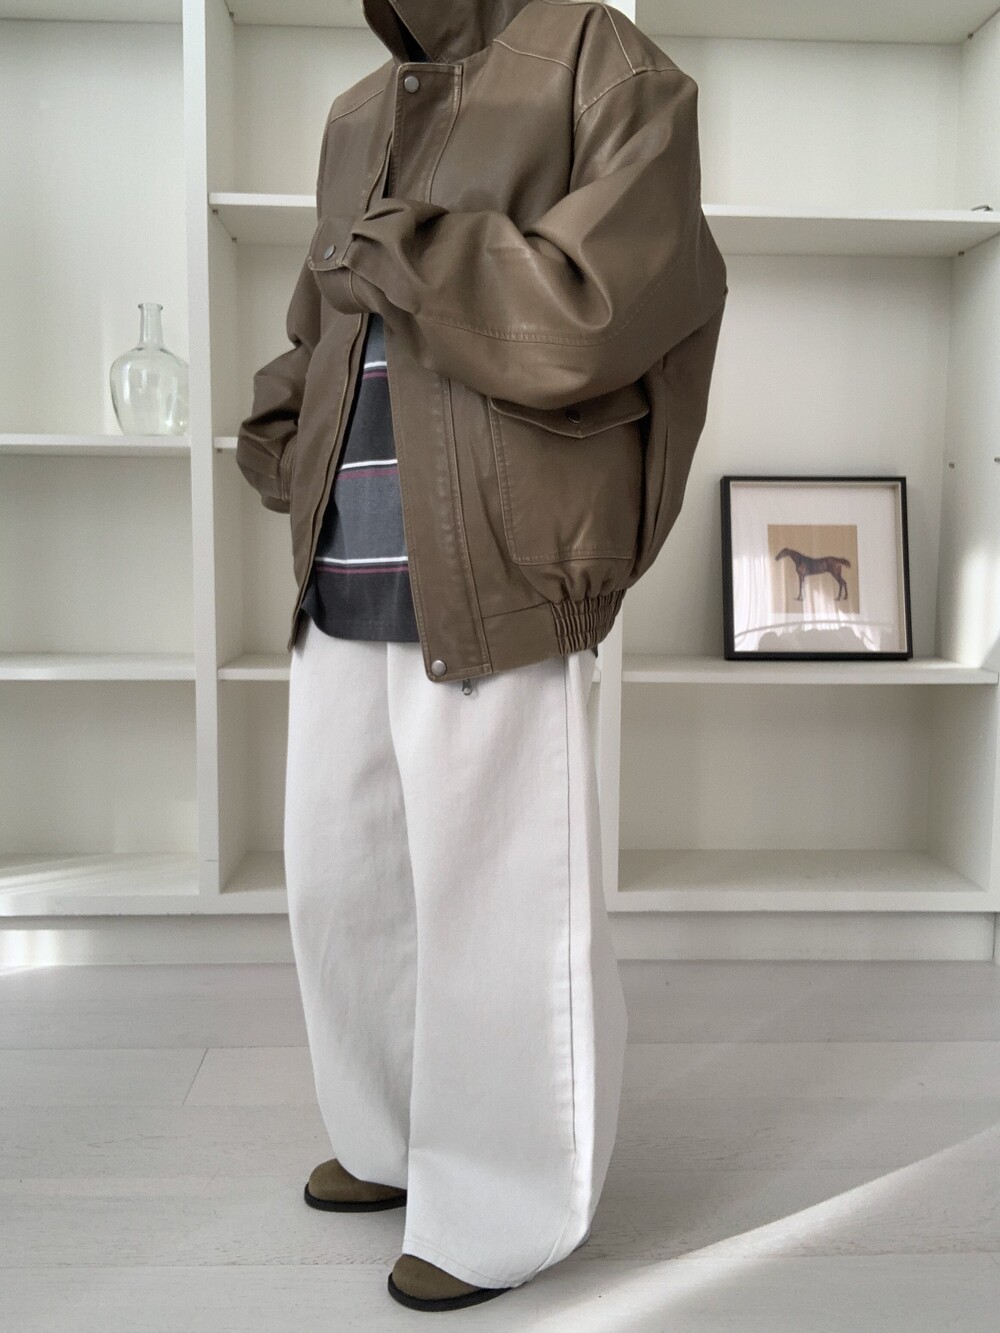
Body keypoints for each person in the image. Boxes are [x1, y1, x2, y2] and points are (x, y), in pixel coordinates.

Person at [236, 0, 726, 1314]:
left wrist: (408, 248)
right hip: (346, 550)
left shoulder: (596, 59)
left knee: (502, 896)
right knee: (345, 876)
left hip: (500, 554)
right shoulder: (357, 112)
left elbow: (603, 304)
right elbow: (320, 318)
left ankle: (503, 1205)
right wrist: (283, 430)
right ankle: (391, 1139)